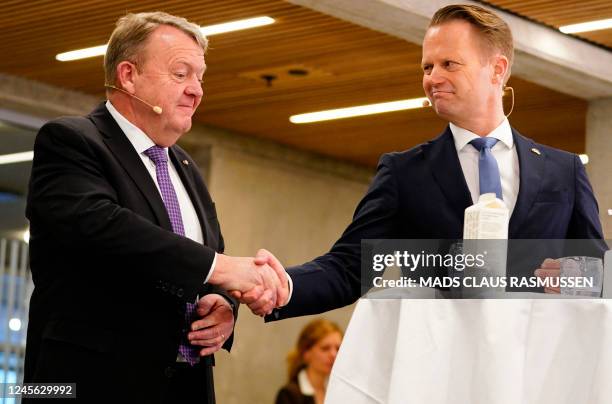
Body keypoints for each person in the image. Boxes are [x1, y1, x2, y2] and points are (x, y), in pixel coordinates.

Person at [239, 4, 606, 318]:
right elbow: (351, 266)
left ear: (497, 70)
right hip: (439, 369)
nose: (433, 78)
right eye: (427, 67)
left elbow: (598, 271)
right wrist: (283, 286)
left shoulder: (564, 170)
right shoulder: (404, 172)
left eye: (449, 63)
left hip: (537, 372)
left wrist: (580, 274)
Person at [24, 11, 287, 403]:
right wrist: (223, 268)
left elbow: (205, 265)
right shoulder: (70, 141)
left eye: (200, 77)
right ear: (128, 75)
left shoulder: (184, 166)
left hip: (185, 386)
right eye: (181, 74)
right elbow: (106, 229)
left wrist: (223, 305)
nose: (196, 90)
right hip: (89, 384)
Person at [275, 319, 343, 404]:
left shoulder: (340, 391)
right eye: (325, 348)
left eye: (338, 349)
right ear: (306, 353)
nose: (334, 355)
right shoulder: (289, 395)